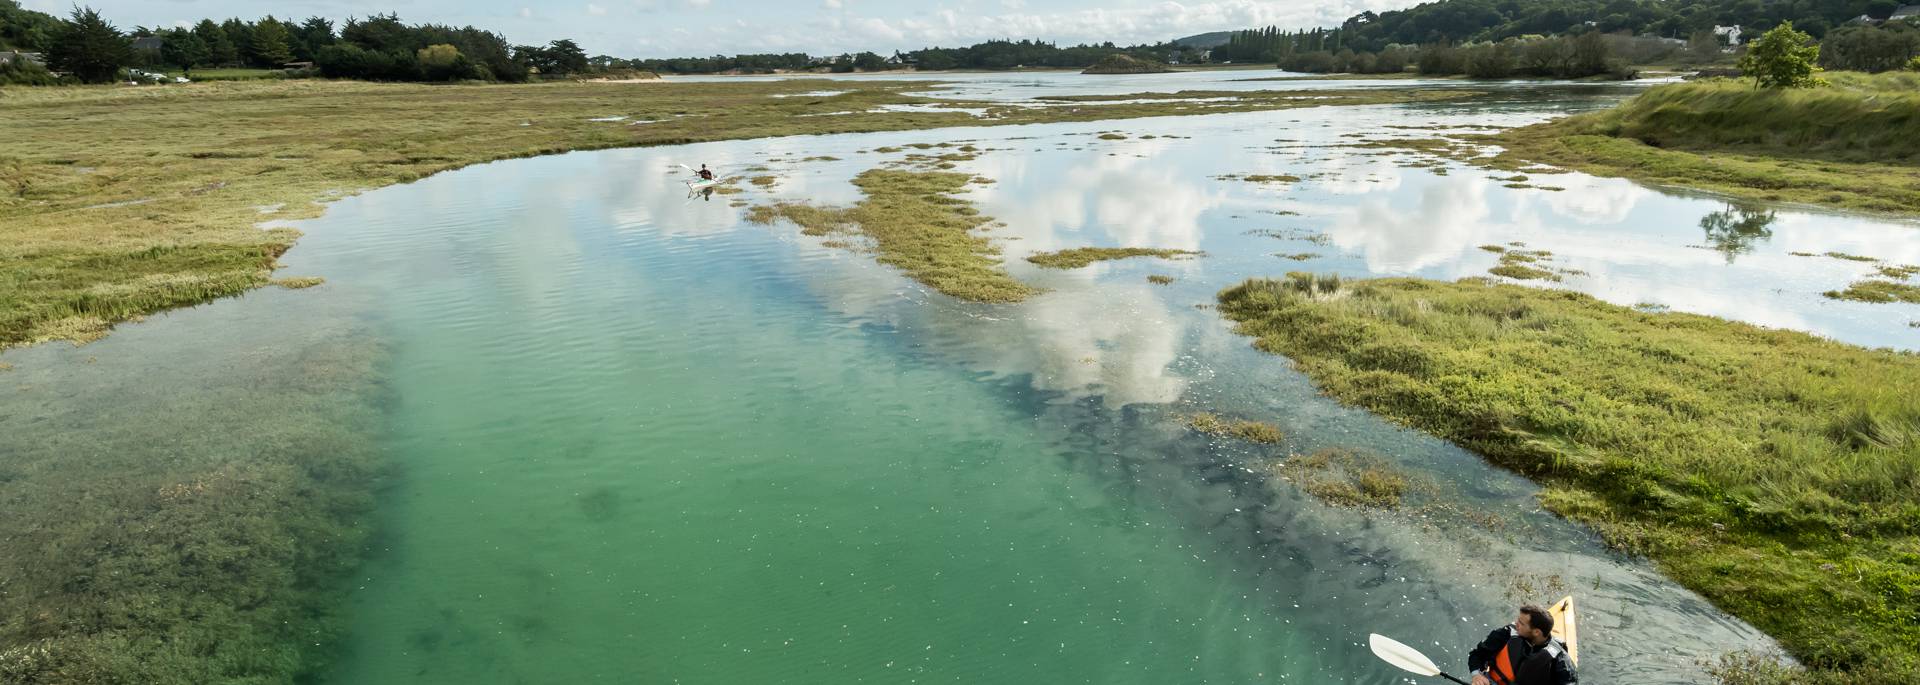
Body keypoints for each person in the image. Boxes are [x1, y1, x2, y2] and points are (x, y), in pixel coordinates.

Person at [1468, 605, 1576, 685]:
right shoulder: (1506, 634)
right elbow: (1477, 655)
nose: (1516, 623)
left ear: (1536, 632)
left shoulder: (1559, 659)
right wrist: (1476, 675)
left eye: (1521, 623)